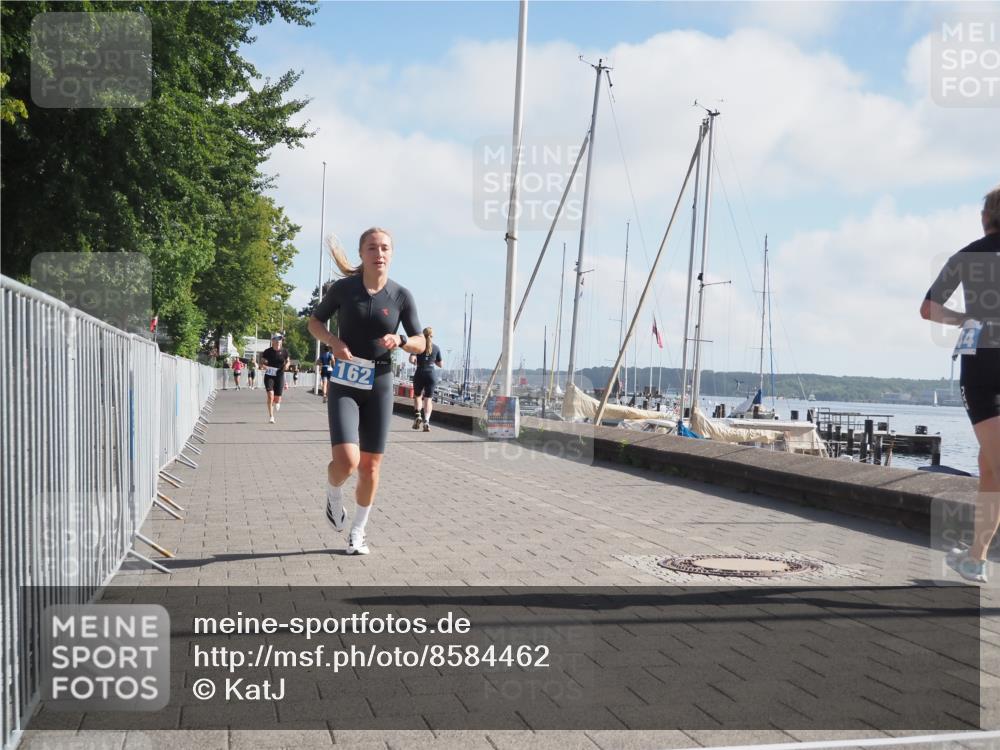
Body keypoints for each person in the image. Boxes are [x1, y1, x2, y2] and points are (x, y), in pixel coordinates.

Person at [308, 227, 424, 556]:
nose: (379, 253)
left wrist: (401, 340)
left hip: (380, 383)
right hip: (345, 381)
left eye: (385, 247)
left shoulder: (401, 296)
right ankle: (333, 495)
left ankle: (358, 531)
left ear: (392, 253)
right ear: (362, 254)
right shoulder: (343, 290)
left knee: (371, 467)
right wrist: (334, 342)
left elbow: (421, 341)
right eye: (372, 248)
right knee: (346, 461)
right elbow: (314, 322)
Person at [922, 185, 1000, 583]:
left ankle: (975, 558)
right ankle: (975, 558)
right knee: (988, 467)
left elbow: (928, 308)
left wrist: (964, 318)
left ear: (985, 218)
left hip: (984, 366)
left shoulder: (968, 255)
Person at [409, 326, 443, 432]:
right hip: (431, 374)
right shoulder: (436, 348)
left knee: (417, 396)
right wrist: (432, 360)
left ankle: (418, 415)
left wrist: (415, 361)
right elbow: (441, 364)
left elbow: (411, 359)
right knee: (428, 399)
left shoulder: (418, 347)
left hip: (420, 372)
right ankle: (427, 421)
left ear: (422, 335)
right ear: (432, 335)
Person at [261, 334, 290, 424]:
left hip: (280, 375)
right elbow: (261, 363)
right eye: (276, 339)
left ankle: (277, 402)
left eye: (280, 340)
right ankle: (271, 417)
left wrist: (287, 365)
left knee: (277, 399)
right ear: (272, 341)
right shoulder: (267, 351)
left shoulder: (285, 351)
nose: (278, 341)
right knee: (270, 395)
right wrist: (263, 366)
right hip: (269, 375)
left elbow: (288, 361)